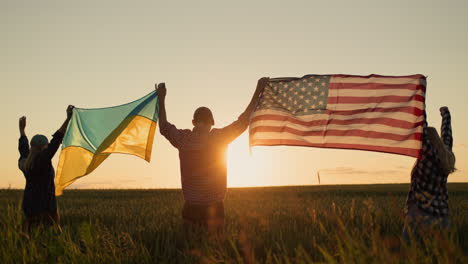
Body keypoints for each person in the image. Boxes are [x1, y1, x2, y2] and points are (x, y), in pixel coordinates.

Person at [156, 78, 269, 233]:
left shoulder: (183, 139)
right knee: (215, 253)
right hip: (215, 209)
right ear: (212, 122)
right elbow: (243, 122)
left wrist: (160, 98)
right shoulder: (219, 138)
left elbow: (163, 126)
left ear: (193, 122)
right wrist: (258, 89)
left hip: (191, 208)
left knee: (189, 252)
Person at [403, 106, 455, 242]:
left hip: (418, 217)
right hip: (442, 220)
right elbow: (447, 134)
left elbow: (421, 122)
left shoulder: (426, 153)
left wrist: (421, 99)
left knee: (409, 256)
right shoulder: (446, 158)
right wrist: (446, 115)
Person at [18, 105, 74, 231]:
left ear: (32, 148)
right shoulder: (43, 161)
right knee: (53, 237)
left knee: (31, 239)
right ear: (45, 147)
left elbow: (23, 149)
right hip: (46, 207)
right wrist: (68, 118)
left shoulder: (25, 163)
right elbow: (57, 139)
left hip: (29, 206)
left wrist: (22, 131)